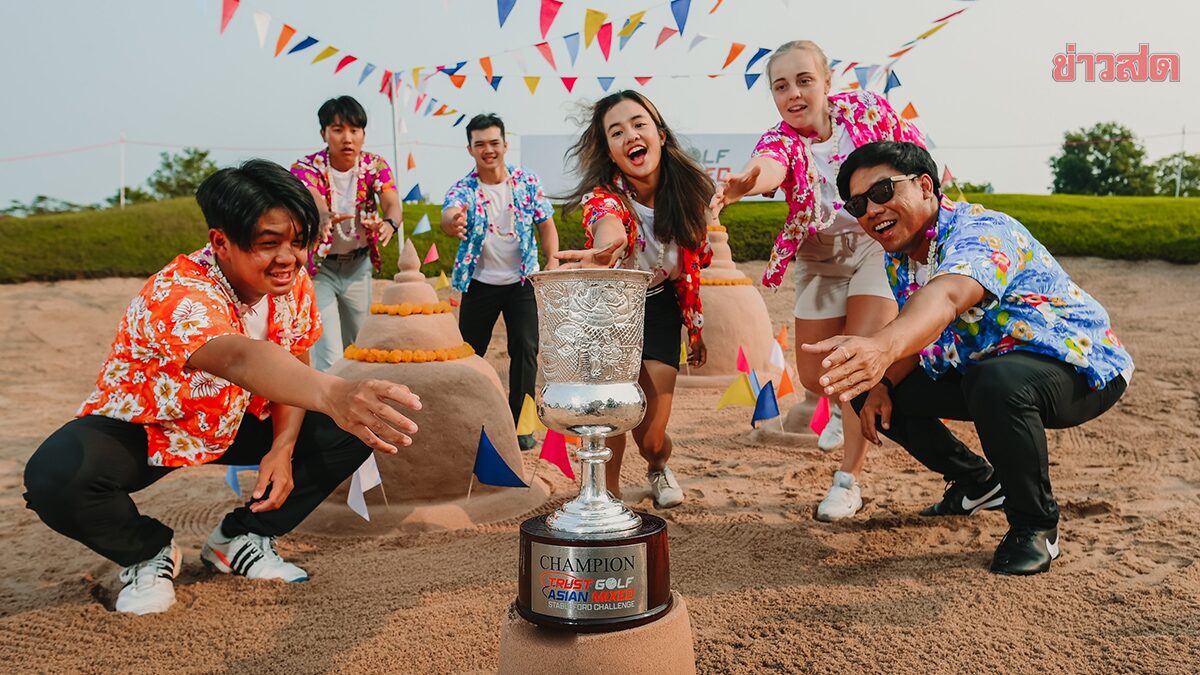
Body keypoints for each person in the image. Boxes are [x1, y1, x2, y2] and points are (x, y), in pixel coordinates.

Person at [22, 160, 422, 614]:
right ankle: (147, 551)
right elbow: (238, 357)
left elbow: (293, 356)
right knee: (55, 475)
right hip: (156, 422)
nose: (288, 258)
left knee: (355, 427)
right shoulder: (177, 292)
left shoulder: (294, 283)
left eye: (298, 241)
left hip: (238, 417)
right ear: (221, 242)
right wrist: (332, 392)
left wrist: (283, 448)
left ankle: (241, 539)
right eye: (268, 244)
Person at [805, 141, 1133, 575]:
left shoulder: (981, 232)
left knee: (995, 381)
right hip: (985, 366)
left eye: (882, 191)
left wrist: (881, 347)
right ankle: (977, 483)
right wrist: (880, 381)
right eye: (858, 202)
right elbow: (923, 328)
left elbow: (948, 296)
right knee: (866, 388)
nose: (870, 209)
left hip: (1079, 367)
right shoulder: (901, 257)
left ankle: (1035, 525)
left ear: (925, 186)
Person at [710, 40, 927, 522]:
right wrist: (748, 183)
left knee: (855, 360)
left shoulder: (868, 111)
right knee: (815, 375)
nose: (794, 93)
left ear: (827, 82)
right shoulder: (779, 140)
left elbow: (912, 155)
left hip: (877, 242)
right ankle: (840, 404)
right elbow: (771, 168)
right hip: (818, 250)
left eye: (804, 80)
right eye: (780, 86)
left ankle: (847, 481)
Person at [556, 90, 714, 508]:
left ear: (659, 134)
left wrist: (695, 331)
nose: (630, 136)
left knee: (651, 434)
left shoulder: (690, 193)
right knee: (609, 414)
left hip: (660, 307)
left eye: (638, 124)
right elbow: (610, 228)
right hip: (611, 309)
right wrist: (606, 248)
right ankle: (605, 501)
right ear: (609, 151)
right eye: (616, 131)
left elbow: (695, 265)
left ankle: (659, 465)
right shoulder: (603, 198)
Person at [441, 114, 559, 450]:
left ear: (505, 145)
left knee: (525, 348)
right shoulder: (464, 188)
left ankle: (521, 424)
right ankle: (469, 418)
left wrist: (551, 259)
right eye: (480, 144)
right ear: (470, 149)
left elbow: (546, 223)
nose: (488, 150)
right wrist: (453, 222)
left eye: (494, 143)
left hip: (521, 281)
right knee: (470, 352)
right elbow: (449, 214)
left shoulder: (527, 182)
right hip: (479, 283)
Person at [292, 95, 404, 372]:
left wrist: (390, 222)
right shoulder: (306, 168)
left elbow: (391, 199)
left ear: (363, 134)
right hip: (321, 270)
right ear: (324, 133)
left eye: (354, 130)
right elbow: (312, 197)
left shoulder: (374, 166)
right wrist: (322, 216)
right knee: (329, 353)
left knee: (360, 347)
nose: (347, 138)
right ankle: (327, 414)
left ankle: (355, 409)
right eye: (338, 130)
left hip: (358, 267)